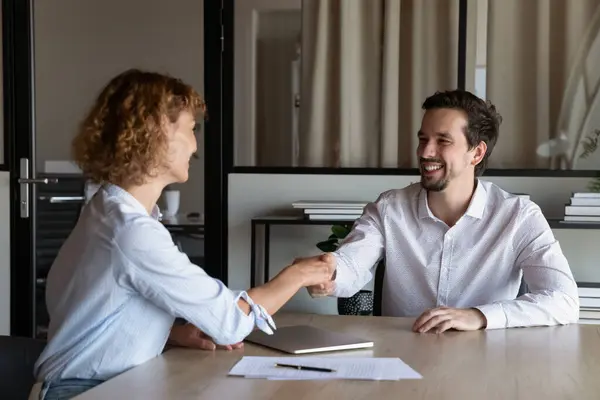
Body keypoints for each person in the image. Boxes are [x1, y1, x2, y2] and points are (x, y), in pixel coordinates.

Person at [30, 69, 335, 399]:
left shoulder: (107, 208)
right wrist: (298, 274)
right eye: (191, 129)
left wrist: (172, 333)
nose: (194, 145)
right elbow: (230, 320)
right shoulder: (131, 232)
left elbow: (101, 308)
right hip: (85, 392)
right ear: (157, 132)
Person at [307, 89, 579, 333]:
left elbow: (563, 300)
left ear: (476, 153)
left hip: (486, 366)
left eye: (443, 141)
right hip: (402, 358)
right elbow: (351, 265)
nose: (426, 152)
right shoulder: (389, 209)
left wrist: (479, 316)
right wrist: (330, 276)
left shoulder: (518, 216)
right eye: (423, 139)